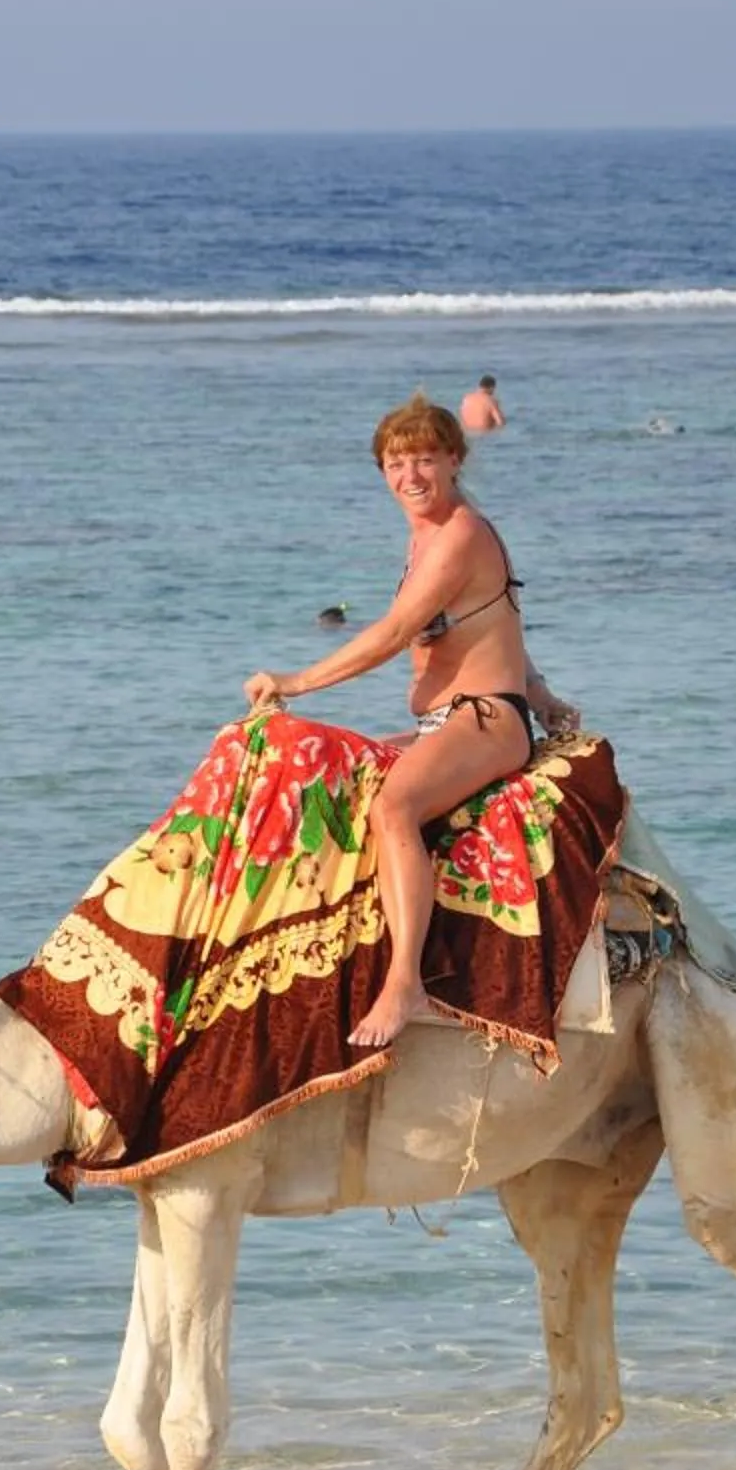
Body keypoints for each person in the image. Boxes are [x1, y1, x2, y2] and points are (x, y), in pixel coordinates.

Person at [242, 393, 577, 1048]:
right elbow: (498, 625)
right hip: (453, 721)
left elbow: (396, 633)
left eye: (425, 459)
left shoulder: (462, 533)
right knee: (329, 768)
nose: (411, 476)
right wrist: (543, 694)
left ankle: (405, 984)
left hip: (481, 722)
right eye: (396, 463)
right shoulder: (424, 537)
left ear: (455, 460)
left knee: (393, 809)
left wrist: (296, 682)